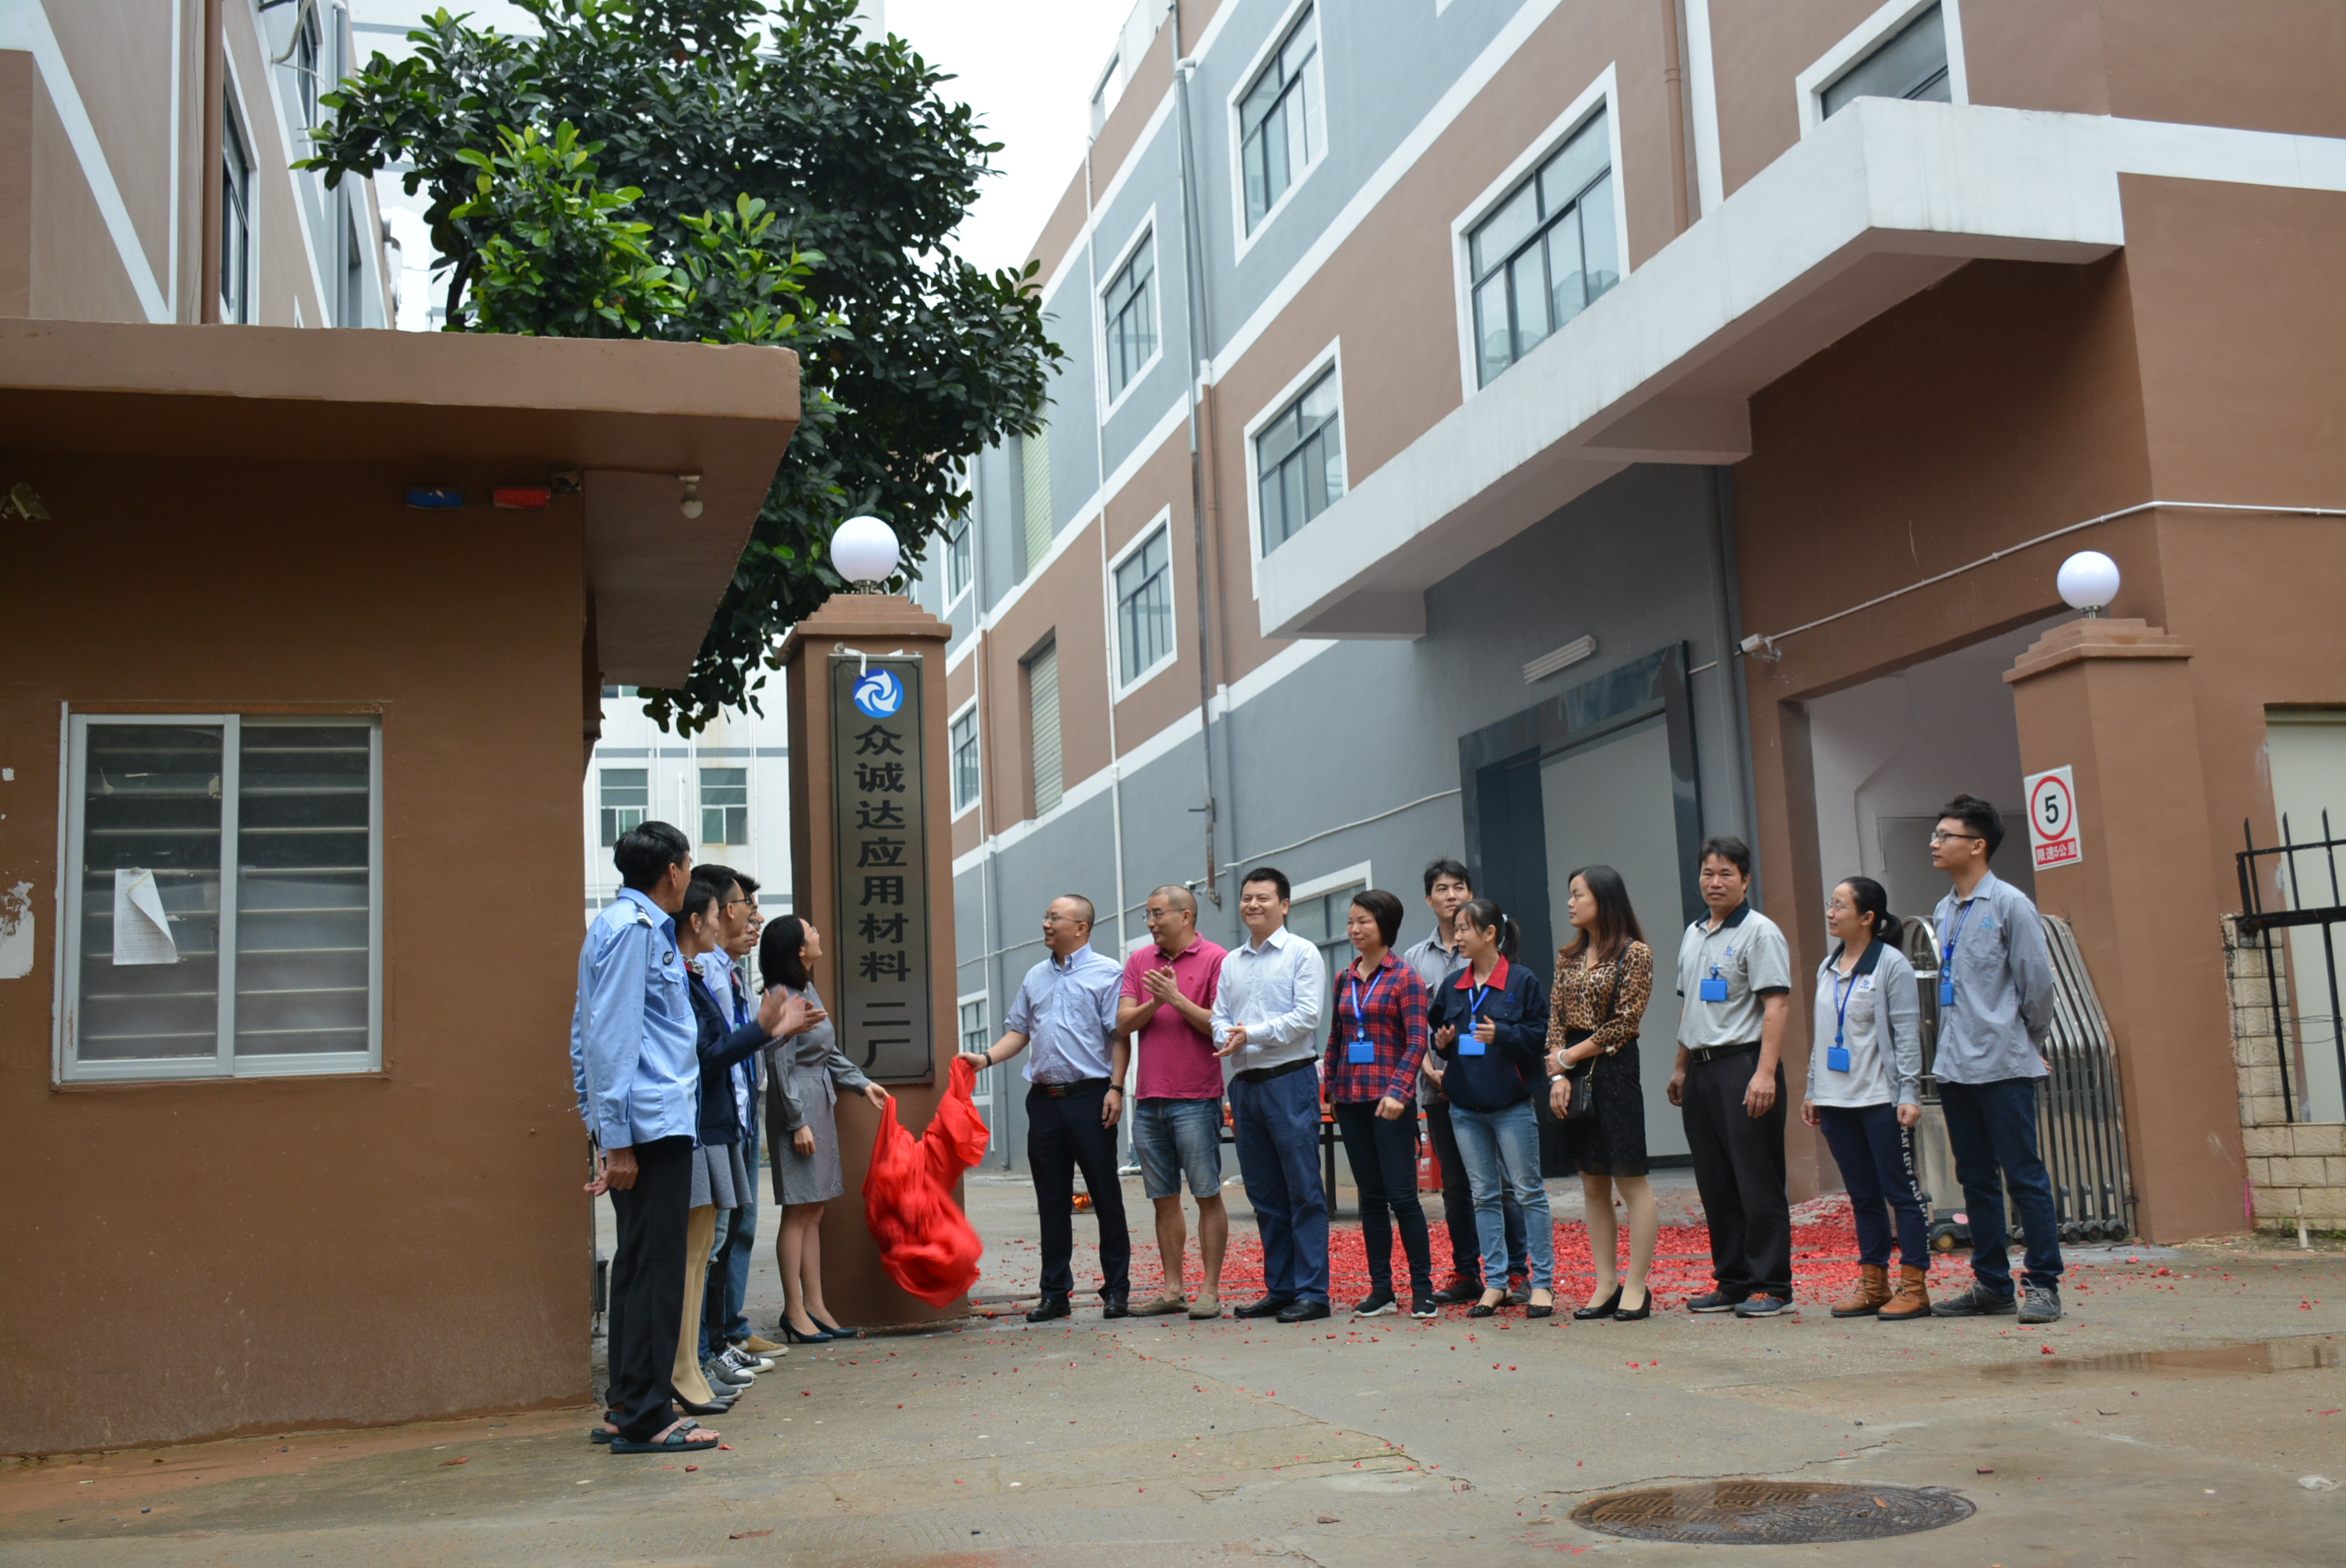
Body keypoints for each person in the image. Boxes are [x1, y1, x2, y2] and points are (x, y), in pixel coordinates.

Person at [570, 821, 718, 1454]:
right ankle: (651, 1415)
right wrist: (618, 1139)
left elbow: (584, 1033)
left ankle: (628, 1404)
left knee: (636, 1264)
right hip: (651, 1124)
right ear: (674, 872)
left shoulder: (613, 926)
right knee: (656, 1268)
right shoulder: (637, 932)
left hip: (639, 1123)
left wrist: (601, 1124)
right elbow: (610, 1037)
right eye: (688, 865)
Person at [1923, 794, 2065, 1324]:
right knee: (1976, 1179)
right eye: (1936, 834)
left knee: (2024, 1176)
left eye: (1945, 835)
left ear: (1977, 846)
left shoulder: (2010, 904)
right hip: (1956, 1066)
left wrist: (2028, 1043)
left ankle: (2043, 1284)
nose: (1935, 843)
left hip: (2004, 1065)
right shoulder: (1945, 910)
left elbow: (2038, 986)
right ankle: (1992, 1284)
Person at [960, 895, 1131, 1322]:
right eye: (1046, 916)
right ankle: (1055, 1293)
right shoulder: (1035, 976)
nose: (1046, 924)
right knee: (1052, 1201)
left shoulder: (1107, 973)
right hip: (1044, 1102)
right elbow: (1019, 1032)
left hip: (1091, 1098)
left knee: (1105, 1195)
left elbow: (1120, 1036)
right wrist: (984, 1059)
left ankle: (1117, 1290)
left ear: (1082, 927)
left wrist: (1116, 1088)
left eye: (1056, 918)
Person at [676, 877, 794, 1405]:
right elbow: (710, 1052)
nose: (755, 918)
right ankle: (700, 1356)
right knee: (702, 1248)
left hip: (729, 1120)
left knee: (717, 1240)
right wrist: (763, 1030)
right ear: (709, 915)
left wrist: (770, 1030)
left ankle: (710, 1348)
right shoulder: (692, 972)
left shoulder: (713, 972)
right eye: (748, 906)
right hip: (701, 1126)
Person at [1670, 836, 1796, 1318]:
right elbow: (1690, 1005)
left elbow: (1776, 1006)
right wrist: (1681, 1067)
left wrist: (1764, 1074)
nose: (1715, 882)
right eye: (1708, 872)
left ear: (1745, 880)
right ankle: (1733, 1281)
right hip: (1701, 1071)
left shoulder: (1760, 932)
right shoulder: (1694, 932)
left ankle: (1772, 1285)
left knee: (1757, 1180)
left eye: (1726, 873)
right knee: (1716, 1182)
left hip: (1744, 1066)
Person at [1801, 877, 1931, 1321]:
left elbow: (1907, 1035)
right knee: (1862, 1196)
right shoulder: (1828, 965)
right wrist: (1813, 1089)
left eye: (1840, 905)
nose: (1830, 912)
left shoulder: (1891, 965)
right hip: (1836, 1102)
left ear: (1868, 917)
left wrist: (1909, 1092)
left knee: (1901, 1193)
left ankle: (1914, 1286)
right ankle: (1874, 1283)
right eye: (1830, 903)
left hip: (1880, 1099)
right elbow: (1823, 1034)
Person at [757, 914, 888, 1343]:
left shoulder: (806, 989)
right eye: (810, 931)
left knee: (814, 1210)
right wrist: (797, 1122)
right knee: (797, 1210)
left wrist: (861, 1083)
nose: (817, 934)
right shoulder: (781, 997)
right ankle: (794, 1311)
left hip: (819, 1100)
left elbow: (827, 1052)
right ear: (799, 949)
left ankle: (815, 1306)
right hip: (797, 1106)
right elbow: (778, 1065)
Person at [1210, 867, 1331, 1324]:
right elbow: (1219, 1016)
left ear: (1284, 905)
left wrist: (1251, 1035)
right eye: (1247, 898)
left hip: (1290, 1081)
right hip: (1245, 1086)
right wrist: (1227, 1035)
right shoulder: (1232, 962)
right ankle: (1281, 1289)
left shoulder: (1302, 953)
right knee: (1264, 1195)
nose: (1252, 905)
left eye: (1263, 897)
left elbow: (1307, 1017)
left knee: (1304, 1190)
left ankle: (1313, 1293)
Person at [1404, 859, 1527, 1305]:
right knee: (1455, 1186)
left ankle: (1516, 1271)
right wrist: (1428, 1069)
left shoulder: (1494, 946)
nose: (1451, 895)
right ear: (1428, 898)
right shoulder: (1415, 959)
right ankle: (1467, 1272)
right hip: (1439, 1087)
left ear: (1471, 894)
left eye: (1459, 887)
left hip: (1493, 1087)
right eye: (1442, 888)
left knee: (1504, 1183)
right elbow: (1412, 1024)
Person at [1427, 898, 1556, 1319]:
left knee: (1528, 1192)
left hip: (1510, 1104)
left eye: (1465, 928)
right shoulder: (1453, 985)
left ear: (1489, 934)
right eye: (1456, 928)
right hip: (1464, 1107)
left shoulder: (1521, 980)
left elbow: (1538, 1037)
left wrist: (1502, 1034)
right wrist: (1443, 1043)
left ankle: (1541, 1284)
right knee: (1483, 1195)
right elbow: (1439, 1031)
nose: (1457, 936)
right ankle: (1495, 1283)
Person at [1546, 866, 1659, 1321]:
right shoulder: (1568, 957)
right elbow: (1555, 1018)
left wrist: (1568, 1058)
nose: (1570, 903)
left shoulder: (1635, 953)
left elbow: (1625, 1022)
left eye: (1578, 894)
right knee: (1592, 1181)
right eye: (1570, 894)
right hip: (1571, 1071)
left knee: (1630, 1178)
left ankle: (1636, 1285)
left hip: (1613, 1068)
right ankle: (1606, 1282)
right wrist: (1557, 1076)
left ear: (1604, 899)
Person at [1116, 885, 1232, 1319]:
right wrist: (1155, 1001)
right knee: (1163, 1198)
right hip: (1149, 1100)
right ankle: (1172, 1289)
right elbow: (1123, 1023)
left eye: (1157, 913)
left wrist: (1176, 999)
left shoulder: (1217, 959)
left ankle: (1210, 1290)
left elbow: (1220, 1026)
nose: (1151, 923)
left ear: (1185, 916)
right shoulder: (1139, 961)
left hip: (1197, 1098)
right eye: (1147, 915)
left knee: (1206, 1193)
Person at [1322, 889, 1439, 1319]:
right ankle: (1382, 1289)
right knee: (1370, 1198)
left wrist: (1399, 1091)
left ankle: (1423, 1289)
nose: (1354, 929)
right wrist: (1331, 1087)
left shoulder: (1405, 977)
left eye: (1363, 922)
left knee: (1403, 1198)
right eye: (1350, 922)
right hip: (1352, 1100)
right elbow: (1336, 1037)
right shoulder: (1344, 978)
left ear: (1385, 925)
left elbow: (1417, 1041)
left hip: (1390, 1103)